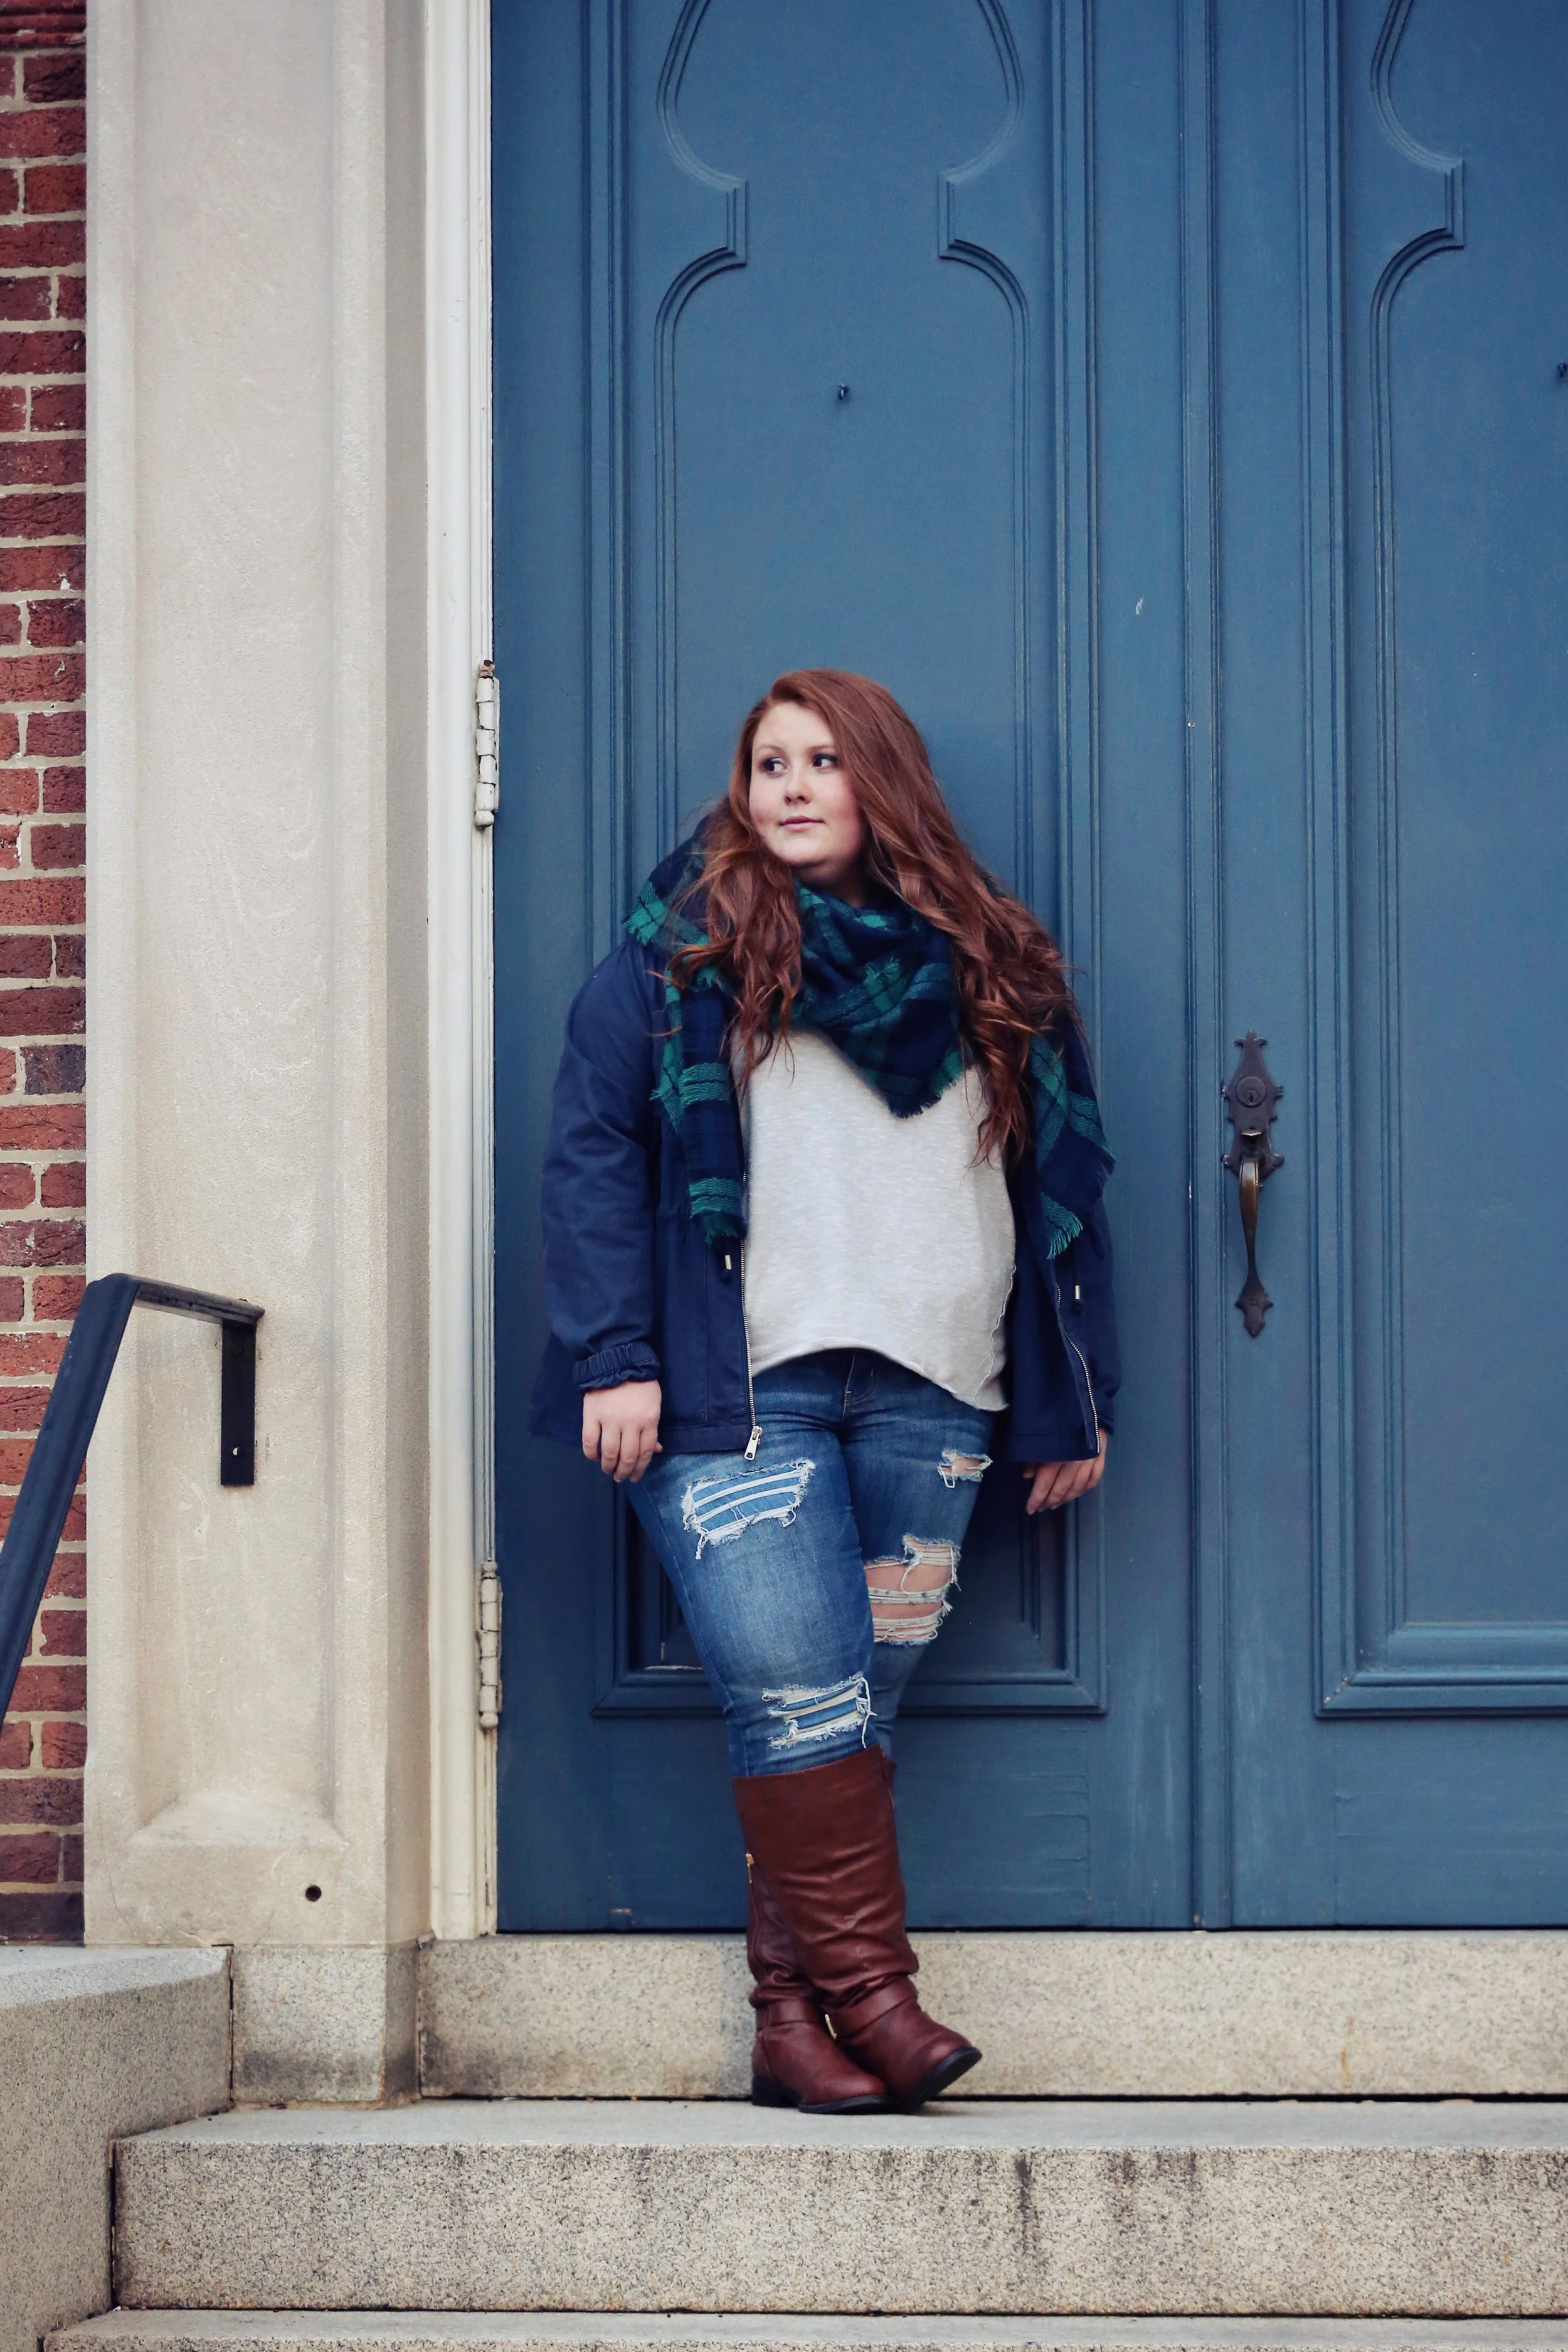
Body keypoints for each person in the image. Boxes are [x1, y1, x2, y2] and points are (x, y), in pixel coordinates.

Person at [531, 669, 1118, 2116]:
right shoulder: (673, 956)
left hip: (940, 1386)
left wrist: (1071, 1396)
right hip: (740, 1392)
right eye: (766, 761)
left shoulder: (994, 964)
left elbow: (1061, 1196)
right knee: (801, 1698)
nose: (788, 785)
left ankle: (790, 2024)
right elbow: (592, 1159)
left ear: (879, 780)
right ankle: (878, 1997)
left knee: (840, 1715)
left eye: (819, 760)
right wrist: (615, 1354)